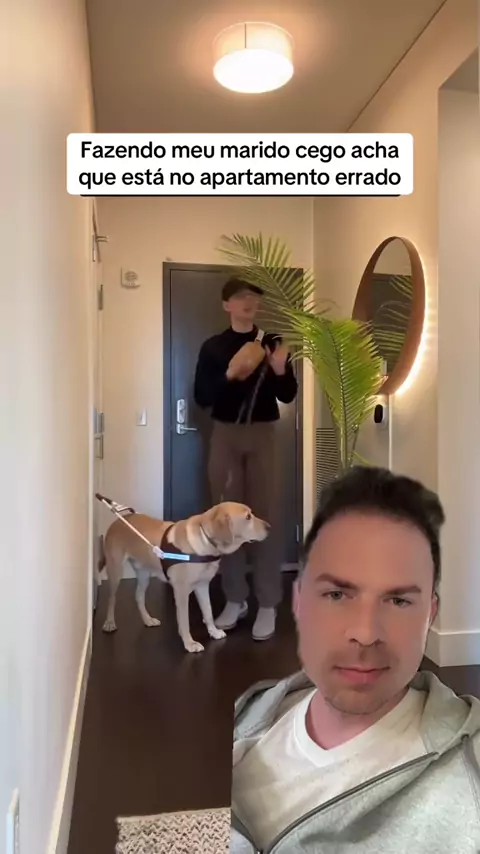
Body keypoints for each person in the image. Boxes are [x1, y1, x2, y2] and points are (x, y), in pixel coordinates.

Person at [230, 466, 480, 853]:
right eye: (337, 595)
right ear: (299, 603)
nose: (365, 633)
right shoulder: (245, 718)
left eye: (398, 600)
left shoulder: (469, 779)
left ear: (429, 614)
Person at [193, 276, 298, 642]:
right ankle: (235, 599)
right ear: (227, 305)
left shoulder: (273, 342)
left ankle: (267, 603)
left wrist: (280, 370)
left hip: (264, 435)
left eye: (254, 297)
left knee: (265, 518)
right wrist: (230, 373)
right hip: (224, 435)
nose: (249, 302)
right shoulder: (213, 347)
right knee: (226, 520)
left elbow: (288, 395)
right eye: (240, 297)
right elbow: (202, 396)